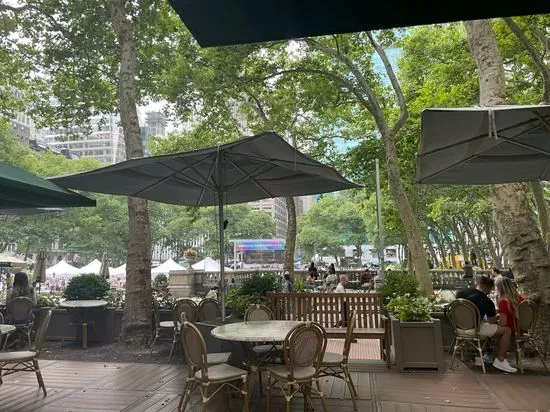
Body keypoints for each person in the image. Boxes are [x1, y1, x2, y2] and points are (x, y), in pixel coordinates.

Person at [455, 276, 516, 373]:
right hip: (475, 329)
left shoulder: (460, 293)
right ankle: (500, 359)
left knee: (486, 327)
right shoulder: (487, 302)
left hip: (458, 328)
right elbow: (492, 322)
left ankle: (482, 356)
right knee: (506, 331)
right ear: (488, 288)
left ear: (478, 284)